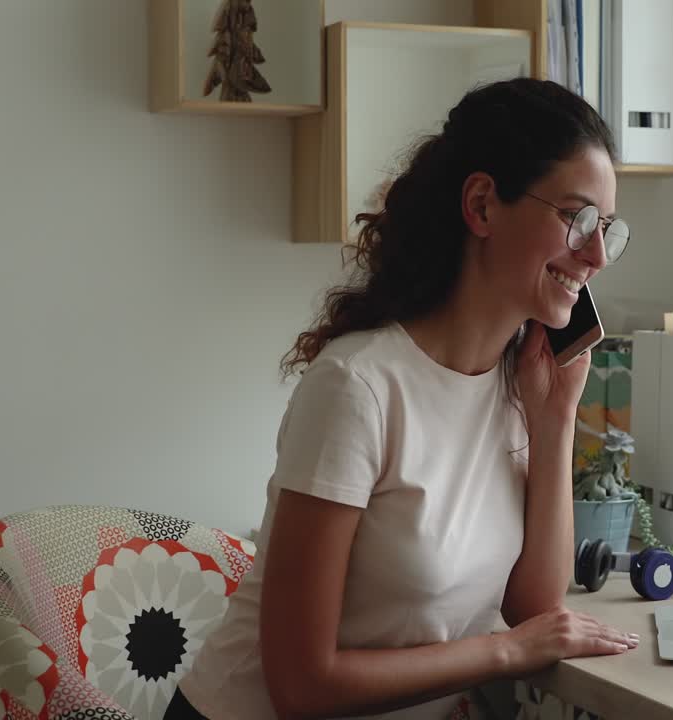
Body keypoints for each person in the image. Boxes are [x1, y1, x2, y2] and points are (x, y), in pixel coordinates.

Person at [169, 77, 637, 720]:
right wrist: (500, 654)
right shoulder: (358, 387)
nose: (595, 256)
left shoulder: (517, 384)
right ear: (482, 205)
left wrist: (555, 426)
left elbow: (534, 610)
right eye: (577, 218)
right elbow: (301, 685)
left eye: (607, 228)